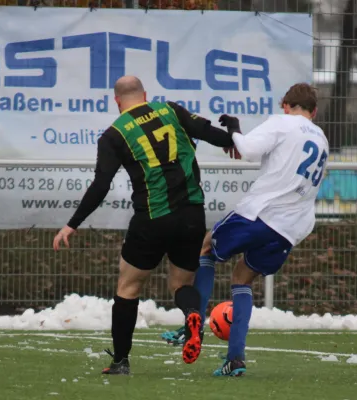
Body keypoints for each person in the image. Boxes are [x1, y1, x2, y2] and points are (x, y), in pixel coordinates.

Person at [53, 76, 235, 375]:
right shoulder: (171, 110)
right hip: (192, 216)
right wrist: (234, 129)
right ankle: (192, 315)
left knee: (128, 286)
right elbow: (220, 138)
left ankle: (121, 361)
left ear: (117, 101)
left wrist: (72, 224)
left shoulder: (113, 135)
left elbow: (101, 185)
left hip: (152, 219)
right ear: (146, 95)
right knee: (181, 285)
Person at [162, 83, 329, 377]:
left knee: (205, 248)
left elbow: (249, 149)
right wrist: (241, 142)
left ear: (286, 105)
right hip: (294, 226)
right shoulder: (321, 138)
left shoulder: (283, 122)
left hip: (263, 213)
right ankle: (235, 360)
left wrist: (236, 131)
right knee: (242, 278)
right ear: (313, 112)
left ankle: (195, 324)